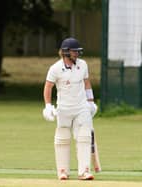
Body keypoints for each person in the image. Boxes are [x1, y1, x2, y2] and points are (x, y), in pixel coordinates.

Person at [42, 37, 97, 180]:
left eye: (78, 51)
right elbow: (48, 87)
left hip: (81, 107)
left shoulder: (83, 65)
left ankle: (84, 171)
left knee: (84, 137)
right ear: (66, 52)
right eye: (74, 51)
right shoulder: (55, 68)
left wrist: (91, 102)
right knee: (62, 139)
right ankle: (62, 171)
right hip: (64, 109)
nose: (77, 54)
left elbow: (87, 83)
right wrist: (48, 106)